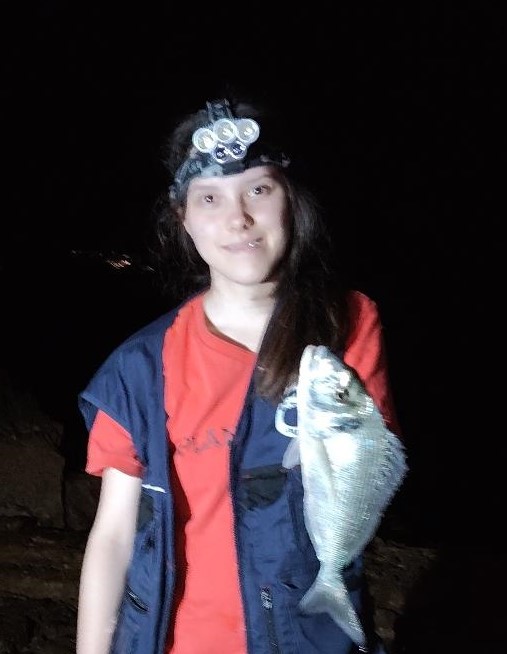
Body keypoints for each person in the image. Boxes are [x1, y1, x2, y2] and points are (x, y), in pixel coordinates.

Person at [76, 95, 402, 654]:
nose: (238, 218)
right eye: (210, 198)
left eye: (259, 189)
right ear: (183, 219)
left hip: (306, 637)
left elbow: (367, 470)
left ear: (290, 199)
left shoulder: (346, 323)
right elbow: (113, 535)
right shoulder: (136, 369)